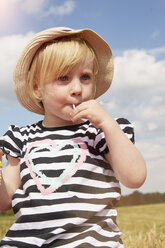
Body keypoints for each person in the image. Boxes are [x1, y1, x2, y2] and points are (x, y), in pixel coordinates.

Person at [0, 27, 146, 248]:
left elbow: (135, 178)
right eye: (63, 78)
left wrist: (108, 124)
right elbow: (5, 200)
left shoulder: (99, 132)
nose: (77, 88)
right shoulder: (20, 137)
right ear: (37, 88)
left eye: (85, 77)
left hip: (89, 242)